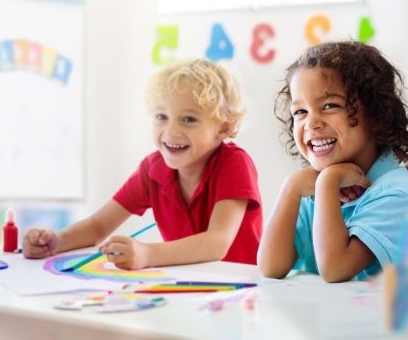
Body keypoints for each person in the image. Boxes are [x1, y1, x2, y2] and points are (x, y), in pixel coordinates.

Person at [23, 59, 262, 269]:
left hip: (241, 289)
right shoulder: (153, 169)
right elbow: (98, 226)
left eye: (188, 119)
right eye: (161, 117)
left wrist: (147, 254)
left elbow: (216, 243)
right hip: (188, 287)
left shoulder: (234, 163)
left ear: (224, 128)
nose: (171, 131)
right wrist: (57, 240)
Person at [257, 41, 408, 282]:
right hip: (335, 317)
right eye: (300, 112)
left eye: (329, 106)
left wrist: (328, 183)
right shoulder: (309, 189)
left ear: (377, 115)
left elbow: (335, 269)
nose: (311, 123)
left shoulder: (396, 196)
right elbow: (270, 267)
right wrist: (291, 188)